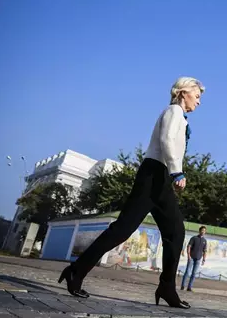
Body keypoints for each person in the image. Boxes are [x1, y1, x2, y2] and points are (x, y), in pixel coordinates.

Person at [57, 77, 205, 309]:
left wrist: (172, 173)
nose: (199, 101)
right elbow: (166, 141)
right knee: (122, 230)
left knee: (176, 232)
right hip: (154, 175)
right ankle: (76, 270)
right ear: (183, 92)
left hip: (162, 178)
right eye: (197, 96)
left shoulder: (180, 116)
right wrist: (177, 172)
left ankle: (167, 287)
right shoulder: (173, 111)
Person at [181, 226, 208, 291]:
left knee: (194, 273)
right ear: (199, 231)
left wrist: (204, 259)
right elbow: (189, 246)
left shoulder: (204, 241)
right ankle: (183, 286)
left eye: (204, 231)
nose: (203, 232)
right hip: (191, 258)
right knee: (187, 272)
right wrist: (188, 255)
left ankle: (189, 287)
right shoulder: (194, 238)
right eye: (202, 230)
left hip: (198, 259)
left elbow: (205, 251)